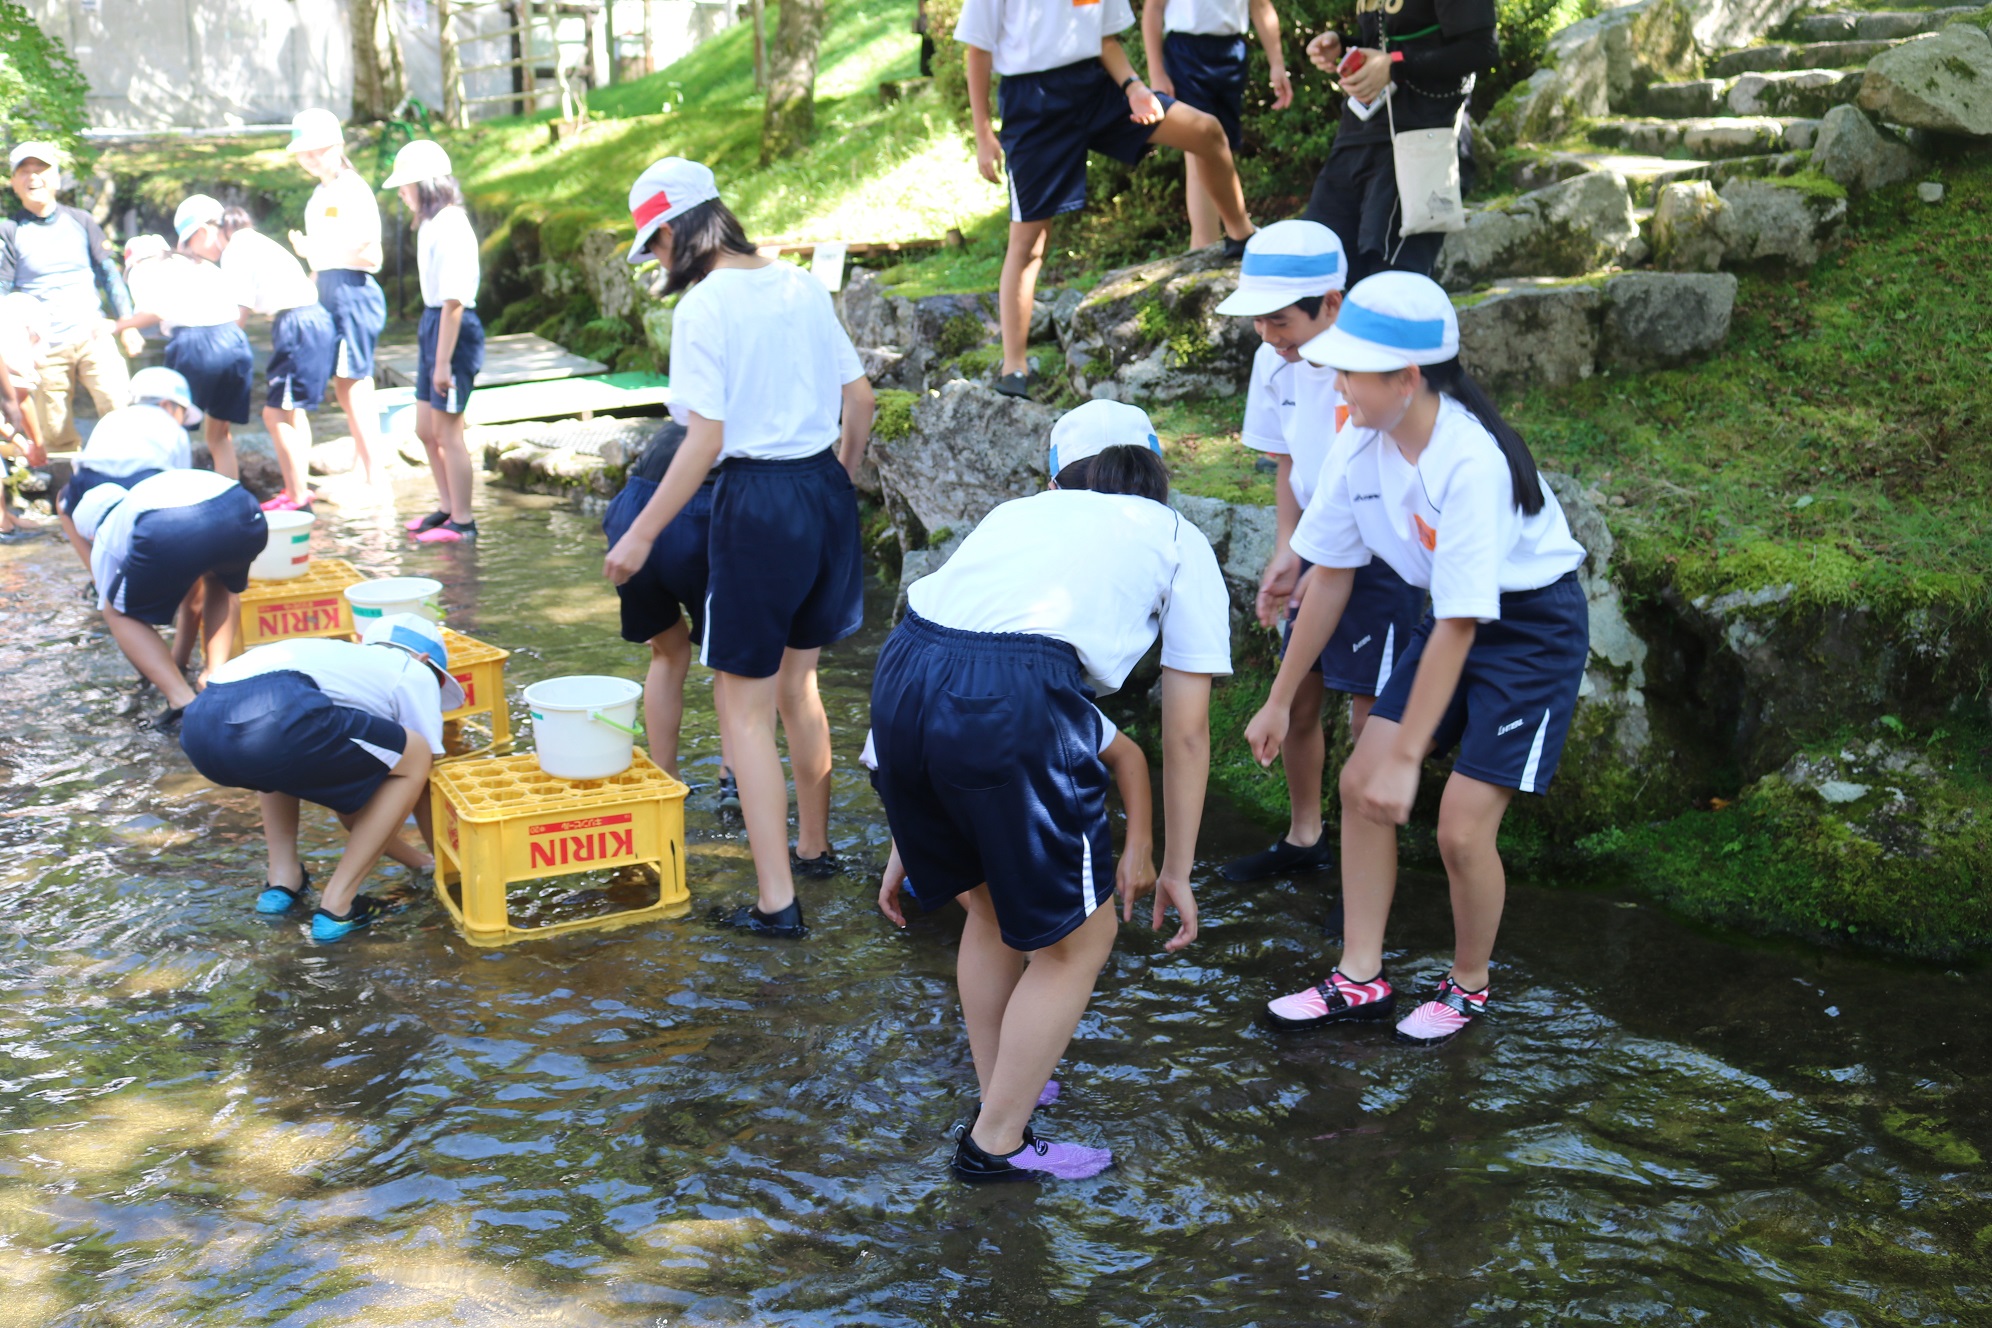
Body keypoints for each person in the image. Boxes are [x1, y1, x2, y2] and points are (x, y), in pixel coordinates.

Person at [872, 399, 1230, 1183]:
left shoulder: (1016, 514)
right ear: (1157, 470)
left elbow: (947, 638)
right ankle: (996, 1143)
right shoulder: (1174, 535)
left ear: (1056, 475)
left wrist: (909, 825)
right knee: (1082, 941)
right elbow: (1187, 729)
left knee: (992, 911)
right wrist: (1177, 868)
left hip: (902, 675)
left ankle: (1004, 1085)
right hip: (1016, 701)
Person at [1244, 273, 1589, 1045]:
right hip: (1454, 620)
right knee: (1359, 782)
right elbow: (1329, 577)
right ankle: (1359, 978)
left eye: (1351, 370)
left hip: (1529, 630)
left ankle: (1470, 986)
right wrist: (1278, 695)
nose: (1336, 383)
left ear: (1406, 379)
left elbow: (1465, 625)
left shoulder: (1471, 461)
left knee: (1461, 830)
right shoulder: (1360, 443)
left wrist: (1408, 755)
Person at [607, 158, 874, 937]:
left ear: (672, 230)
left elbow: (706, 439)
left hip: (756, 501)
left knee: (742, 707)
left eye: (653, 248)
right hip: (822, 491)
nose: (657, 263)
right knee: (801, 686)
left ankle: (775, 901)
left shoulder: (704, 306)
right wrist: (839, 480)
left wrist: (642, 533)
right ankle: (814, 847)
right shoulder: (798, 282)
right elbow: (858, 399)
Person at [1213, 221, 1424, 885]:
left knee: (1370, 717)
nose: (1270, 337)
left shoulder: (1371, 371)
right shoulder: (1273, 363)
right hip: (1315, 549)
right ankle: (1306, 838)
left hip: (1380, 558)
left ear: (1331, 303)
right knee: (1299, 700)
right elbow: (1287, 463)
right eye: (1260, 323)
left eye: (1280, 321)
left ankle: (1369, 869)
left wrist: (1316, 556)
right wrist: (1288, 550)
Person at [954, 0, 1256, 400]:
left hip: (1098, 88)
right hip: (1033, 103)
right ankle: (1014, 367)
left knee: (1206, 130)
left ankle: (1241, 235)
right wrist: (983, 133)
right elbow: (978, 51)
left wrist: (1135, 87)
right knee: (1029, 244)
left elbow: (1106, 40)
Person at [872, 698, 1153, 1116]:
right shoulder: (1019, 695)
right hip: (927, 773)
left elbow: (1127, 754)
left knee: (1001, 916)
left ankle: (997, 1099)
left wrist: (1139, 844)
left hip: (932, 762)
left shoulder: (1035, 698)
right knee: (1032, 932)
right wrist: (908, 848)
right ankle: (998, 1128)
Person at [179, 613, 460, 942]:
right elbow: (421, 779)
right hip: (279, 714)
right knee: (416, 753)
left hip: (201, 725)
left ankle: (283, 879)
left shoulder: (336, 662)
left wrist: (420, 863)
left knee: (279, 754)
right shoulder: (412, 668)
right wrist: (448, 870)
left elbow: (357, 809)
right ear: (425, 659)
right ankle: (338, 906)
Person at [1300, 1, 1497, 285]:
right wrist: (1344, 48)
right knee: (1316, 273)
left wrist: (1396, 64)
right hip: (1357, 139)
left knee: (1390, 288)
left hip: (1423, 142)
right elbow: (1389, 39)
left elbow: (1482, 50)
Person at [602, 417, 739, 799]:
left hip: (633, 514)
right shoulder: (751, 414)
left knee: (667, 652)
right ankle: (734, 779)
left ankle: (666, 778)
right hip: (705, 516)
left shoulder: (685, 415)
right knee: (729, 664)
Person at [68, 466, 269, 724]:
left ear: (90, 533)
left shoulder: (106, 534)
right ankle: (213, 677)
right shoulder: (143, 493)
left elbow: (116, 611)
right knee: (221, 583)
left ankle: (182, 701)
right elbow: (193, 602)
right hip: (243, 509)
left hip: (170, 524)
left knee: (117, 614)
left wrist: (154, 672)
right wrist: (178, 663)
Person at [0, 141, 142, 449]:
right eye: (24, 171)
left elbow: (109, 273)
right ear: (13, 182)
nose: (33, 177)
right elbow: (2, 292)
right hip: (44, 347)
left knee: (120, 409)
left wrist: (127, 324)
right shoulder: (9, 231)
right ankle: (69, 490)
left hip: (93, 335)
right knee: (55, 433)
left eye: (41, 170)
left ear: (57, 178)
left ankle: (129, 479)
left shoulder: (81, 220)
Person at [201, 204, 339, 512]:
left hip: (296, 324)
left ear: (221, 230)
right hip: (313, 319)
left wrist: (222, 350)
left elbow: (240, 310)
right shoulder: (258, 241)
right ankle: (296, 488)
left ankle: (298, 495)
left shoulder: (236, 248)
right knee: (293, 412)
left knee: (274, 415)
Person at [383, 139, 486, 544]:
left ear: (424, 186)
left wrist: (442, 363)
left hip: (453, 330)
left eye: (405, 187)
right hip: (433, 322)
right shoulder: (428, 224)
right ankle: (446, 507)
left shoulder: (451, 226)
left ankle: (464, 521)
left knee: (448, 432)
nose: (401, 194)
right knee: (425, 429)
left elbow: (455, 301)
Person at [112, 197, 255, 480]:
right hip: (235, 342)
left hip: (195, 344)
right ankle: (230, 498)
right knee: (219, 435)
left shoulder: (148, 267)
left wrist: (115, 326)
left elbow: (157, 310)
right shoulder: (202, 266)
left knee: (170, 426)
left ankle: (174, 494)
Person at [286, 109, 390, 489]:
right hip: (327, 289)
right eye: (304, 152)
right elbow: (318, 259)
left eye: (319, 149)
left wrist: (316, 249)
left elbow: (370, 252)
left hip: (353, 289)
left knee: (354, 379)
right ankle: (364, 467)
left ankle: (375, 474)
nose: (312, 158)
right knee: (343, 383)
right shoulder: (319, 194)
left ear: (338, 146)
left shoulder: (352, 188)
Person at [1142, 0, 1291, 250]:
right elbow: (1153, 8)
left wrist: (1277, 64)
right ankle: (1204, 246)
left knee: (1222, 150)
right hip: (1185, 52)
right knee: (1200, 147)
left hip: (1231, 51)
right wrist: (1156, 72)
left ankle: (1230, 237)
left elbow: (1261, 6)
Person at [55, 365, 196, 572]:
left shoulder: (112, 418)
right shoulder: (174, 429)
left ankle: (98, 574)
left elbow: (85, 464)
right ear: (168, 405)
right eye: (183, 413)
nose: (183, 421)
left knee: (63, 502)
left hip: (92, 485)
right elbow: (185, 483)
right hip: (146, 485)